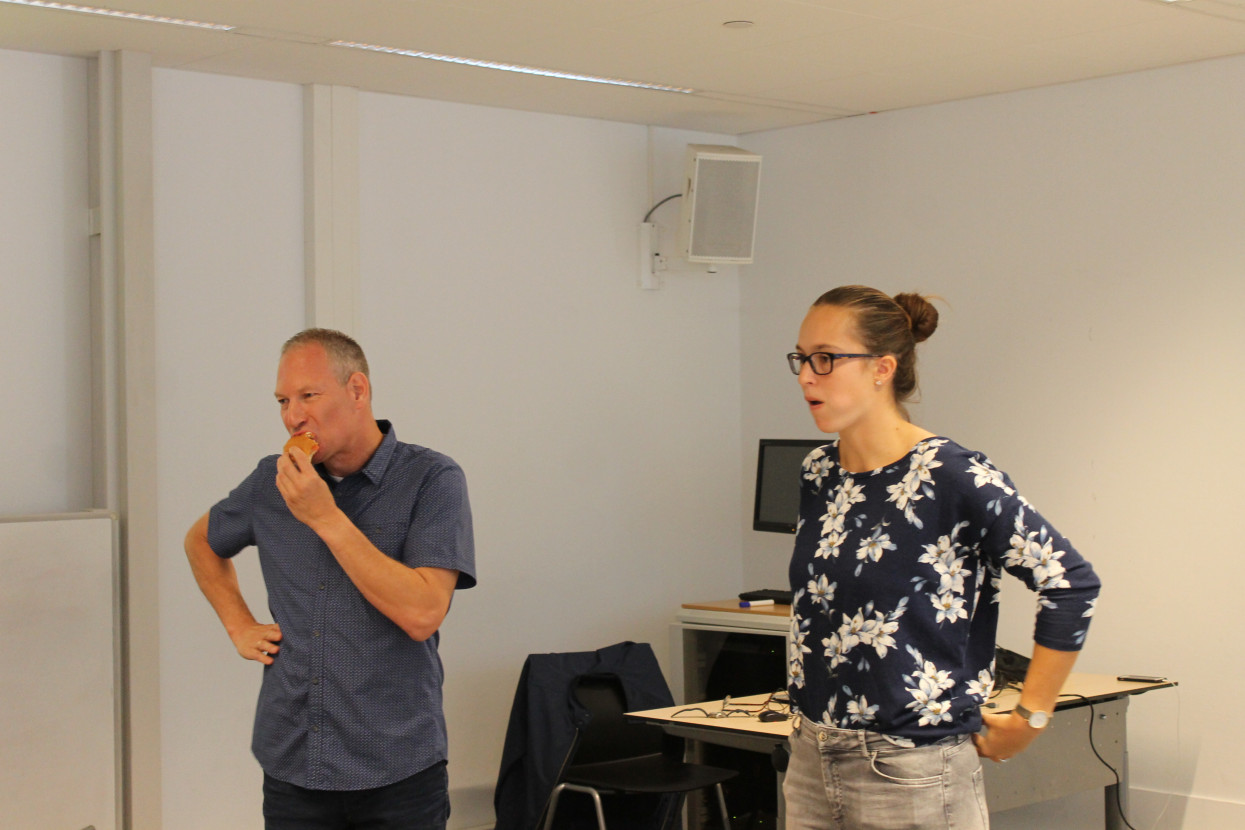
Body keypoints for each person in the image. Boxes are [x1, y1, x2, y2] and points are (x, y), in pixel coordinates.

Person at [782, 286, 1100, 829]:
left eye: (826, 359)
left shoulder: (948, 473)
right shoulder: (819, 471)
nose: (807, 376)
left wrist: (1032, 715)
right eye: (802, 358)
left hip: (911, 767)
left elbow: (1069, 582)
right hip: (811, 757)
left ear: (883, 368)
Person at [185, 328, 476, 830]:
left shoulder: (432, 479)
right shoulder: (270, 481)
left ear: (357, 391)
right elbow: (200, 543)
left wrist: (326, 518)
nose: (292, 416)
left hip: (398, 769)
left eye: (308, 396)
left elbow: (424, 612)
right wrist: (239, 624)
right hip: (295, 760)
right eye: (282, 400)